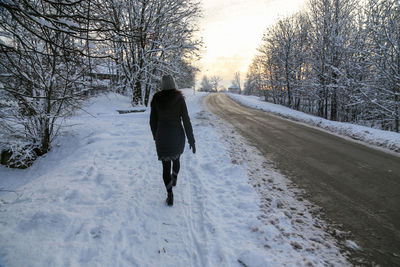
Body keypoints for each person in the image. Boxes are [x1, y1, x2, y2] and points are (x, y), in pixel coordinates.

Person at [150, 75, 196, 206]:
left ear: (162, 85)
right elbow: (186, 120)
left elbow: (152, 121)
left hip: (162, 137)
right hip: (177, 136)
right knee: (176, 159)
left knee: (165, 166)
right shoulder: (179, 99)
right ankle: (174, 178)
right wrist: (191, 140)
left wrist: (155, 135)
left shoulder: (156, 99)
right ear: (174, 84)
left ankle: (169, 194)